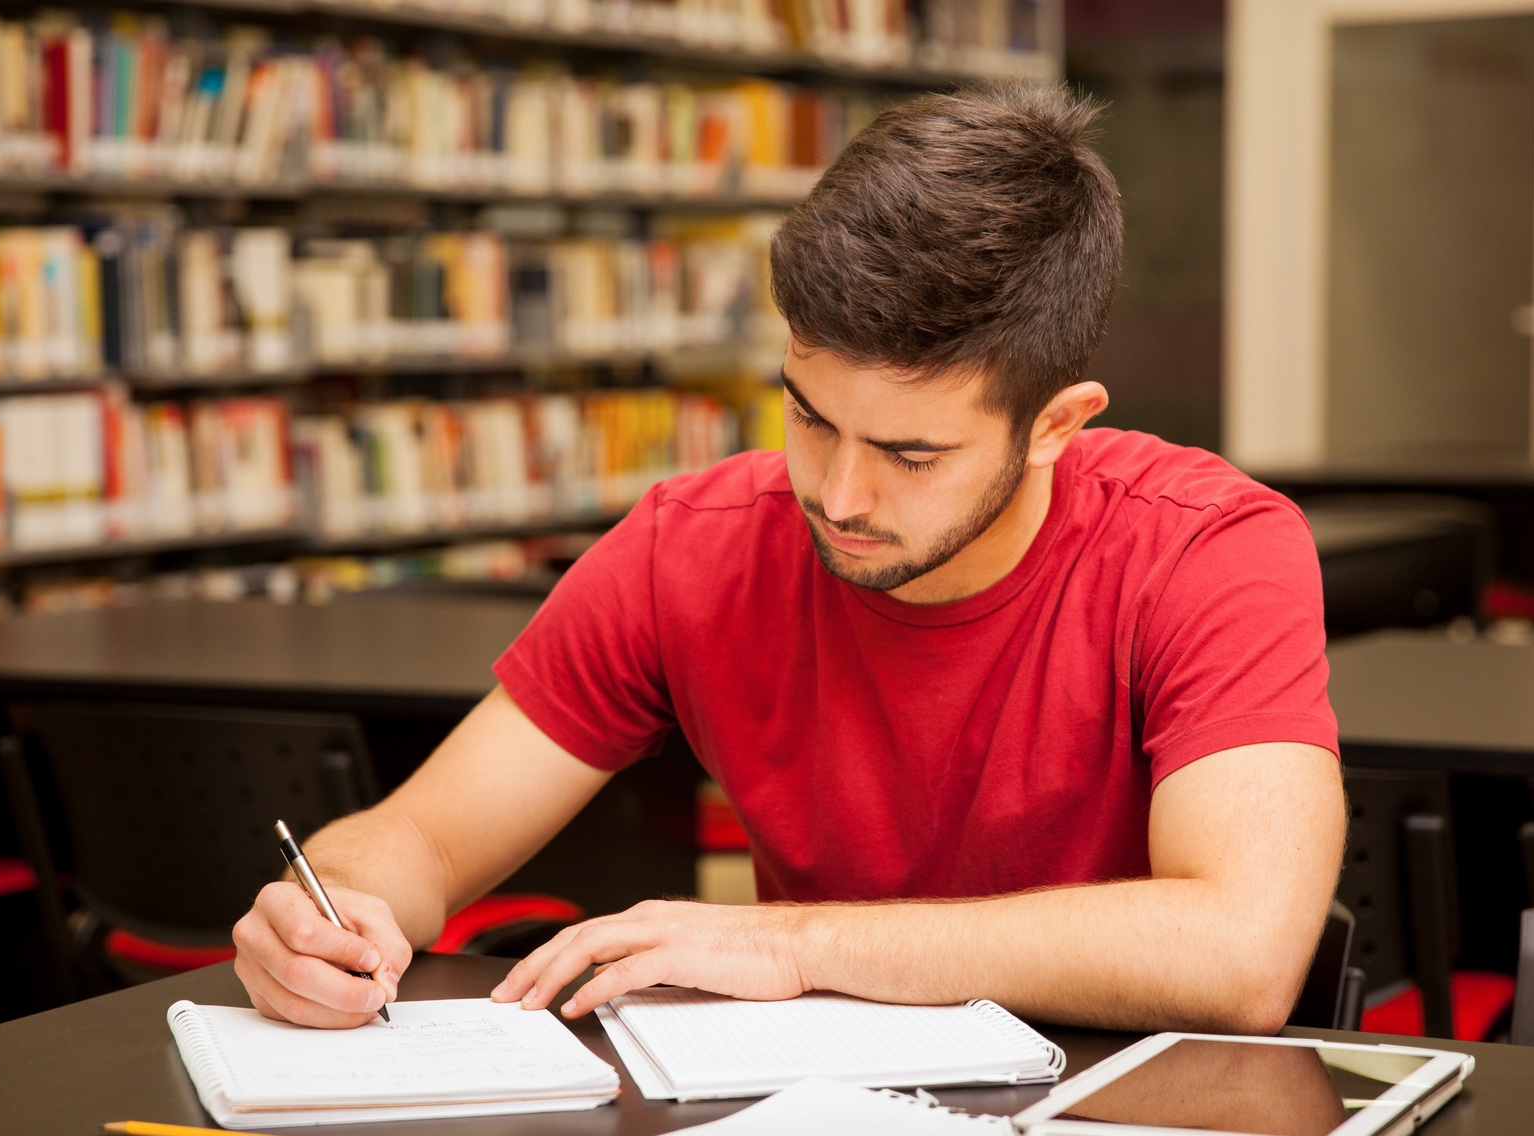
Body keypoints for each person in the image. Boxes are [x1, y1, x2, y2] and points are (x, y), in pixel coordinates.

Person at [232, 85, 1346, 1034]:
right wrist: (330, 905)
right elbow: (424, 838)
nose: (838, 495)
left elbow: (1239, 953)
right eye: (809, 416)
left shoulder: (1204, 547)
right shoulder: (694, 545)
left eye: (911, 453)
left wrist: (797, 943)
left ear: (1057, 423)